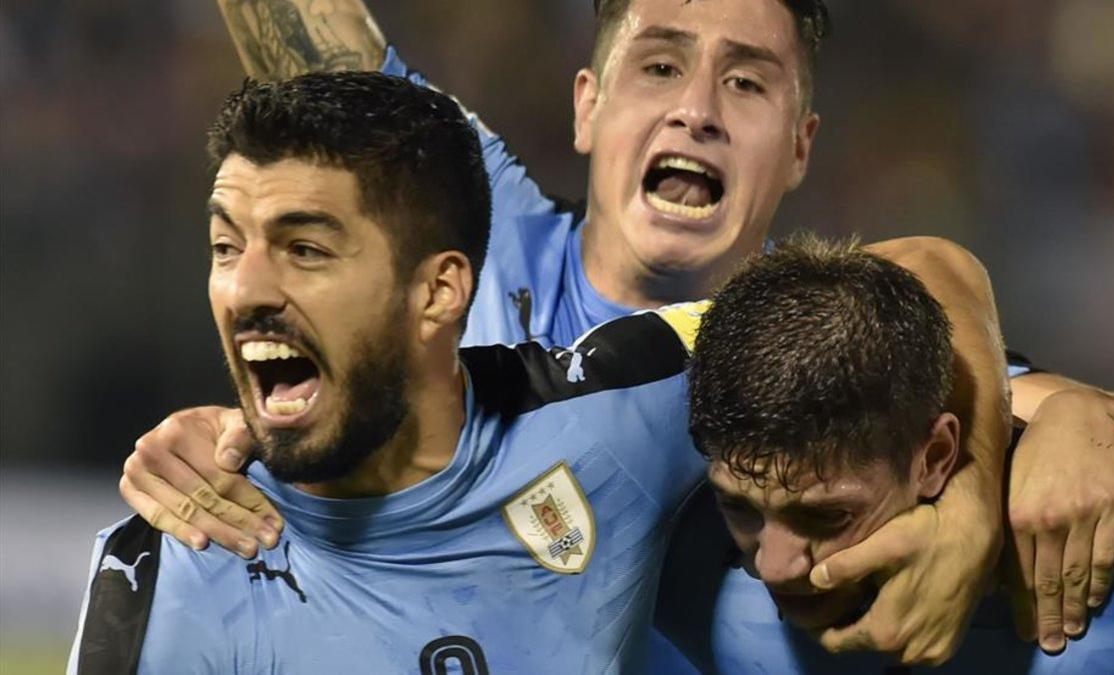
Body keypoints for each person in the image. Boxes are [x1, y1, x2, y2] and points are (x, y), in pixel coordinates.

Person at [115, 0, 1114, 662]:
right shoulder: (463, 231)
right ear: (586, 107)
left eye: (749, 82)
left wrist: (1077, 426)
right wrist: (247, 429)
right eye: (660, 65)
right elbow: (309, 48)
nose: (698, 111)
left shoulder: (814, 359)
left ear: (801, 147)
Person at [69, 71, 713, 673]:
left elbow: (805, 325)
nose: (244, 290)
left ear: (438, 291)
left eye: (306, 250)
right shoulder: (171, 577)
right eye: (226, 248)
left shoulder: (620, 410)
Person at [682, 235, 1114, 674]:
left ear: (934, 458)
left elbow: (931, 262)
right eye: (740, 508)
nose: (775, 567)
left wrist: (1092, 414)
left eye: (824, 515)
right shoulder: (668, 522)